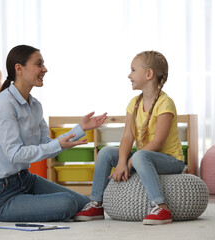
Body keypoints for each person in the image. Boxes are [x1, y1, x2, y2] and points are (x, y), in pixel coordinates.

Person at [0, 44, 107, 222]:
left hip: (25, 180)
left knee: (86, 203)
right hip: (0, 194)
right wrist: (58, 144)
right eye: (39, 64)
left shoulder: (35, 105)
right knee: (67, 203)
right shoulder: (3, 104)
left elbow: (45, 143)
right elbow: (15, 154)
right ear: (19, 69)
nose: (45, 69)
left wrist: (80, 129)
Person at [74, 50, 185, 225]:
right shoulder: (134, 104)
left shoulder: (165, 103)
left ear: (149, 74)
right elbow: (127, 137)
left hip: (170, 160)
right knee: (106, 153)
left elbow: (158, 142)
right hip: (144, 157)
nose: (129, 75)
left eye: (133, 70)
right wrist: (120, 162)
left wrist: (129, 162)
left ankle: (161, 207)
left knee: (140, 155)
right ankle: (96, 204)